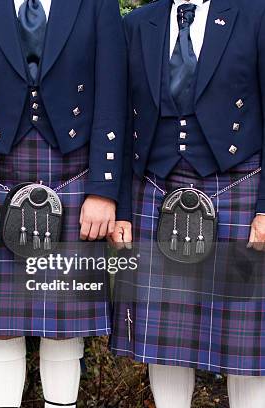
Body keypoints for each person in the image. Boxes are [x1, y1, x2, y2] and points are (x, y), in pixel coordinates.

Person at [0, 0, 127, 406]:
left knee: (64, 326)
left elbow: (113, 95)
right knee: (0, 326)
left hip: (74, 175)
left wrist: (103, 188)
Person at [110, 0, 265, 406]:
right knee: (166, 340)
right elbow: (122, 123)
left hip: (238, 188)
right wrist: (122, 209)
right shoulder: (139, 23)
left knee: (244, 348)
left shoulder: (255, 15)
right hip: (157, 190)